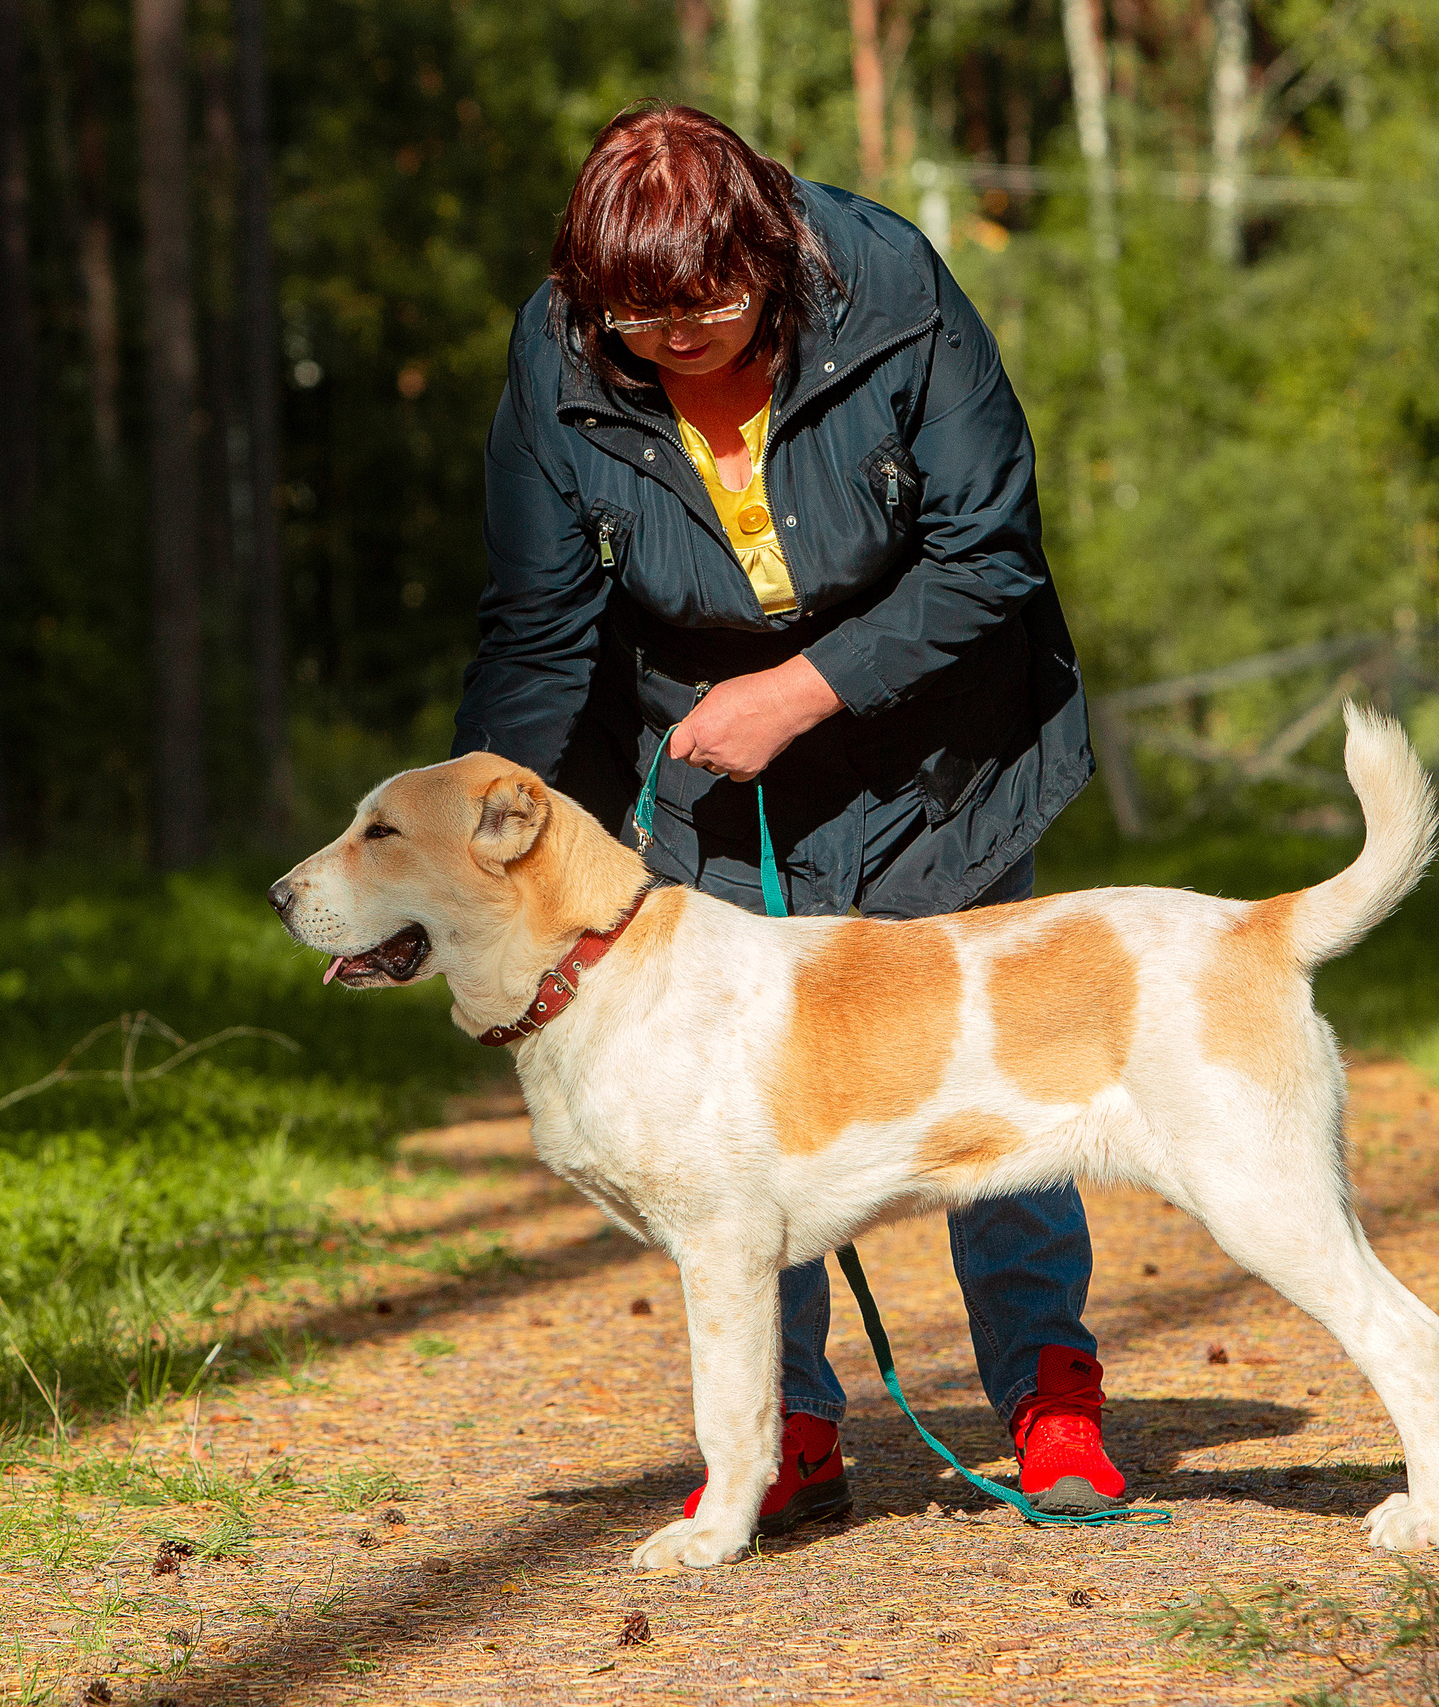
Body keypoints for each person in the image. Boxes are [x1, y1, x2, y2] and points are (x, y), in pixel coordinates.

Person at [450, 103, 1121, 1526]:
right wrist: (474, 831)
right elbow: (537, 626)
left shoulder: (890, 290)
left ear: (768, 252)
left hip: (943, 743)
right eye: (635, 318)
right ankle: (787, 1433)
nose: (672, 339)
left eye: (706, 306)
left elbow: (990, 554)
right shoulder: (557, 351)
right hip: (705, 764)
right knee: (737, 1108)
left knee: (987, 1092)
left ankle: (1052, 1400)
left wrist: (805, 688)